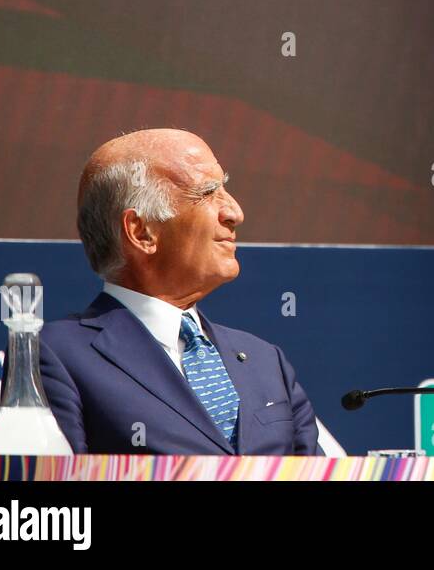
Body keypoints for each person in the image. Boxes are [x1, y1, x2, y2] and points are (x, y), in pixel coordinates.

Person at [40, 129, 320, 455]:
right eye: (207, 192)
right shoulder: (56, 356)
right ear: (142, 232)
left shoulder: (265, 361)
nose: (235, 212)